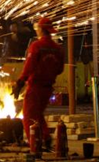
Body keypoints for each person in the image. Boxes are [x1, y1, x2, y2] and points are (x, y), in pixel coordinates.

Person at [12, 16, 64, 152]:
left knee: (28, 116)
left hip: (35, 87)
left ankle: (34, 145)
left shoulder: (37, 46)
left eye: (37, 28)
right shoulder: (57, 48)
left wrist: (20, 82)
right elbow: (60, 69)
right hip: (47, 88)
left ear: (41, 30)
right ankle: (46, 138)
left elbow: (29, 66)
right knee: (38, 114)